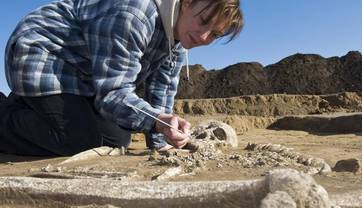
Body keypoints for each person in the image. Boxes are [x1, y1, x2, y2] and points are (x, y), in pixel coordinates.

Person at [0, 0, 243, 156]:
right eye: (203, 22)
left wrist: (163, 137)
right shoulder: (134, 14)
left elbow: (163, 89)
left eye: (215, 34)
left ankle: (26, 106)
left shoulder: (180, 38)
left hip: (82, 76)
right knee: (79, 142)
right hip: (43, 55)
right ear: (188, 3)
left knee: (116, 139)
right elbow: (113, 94)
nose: (203, 37)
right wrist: (157, 120)